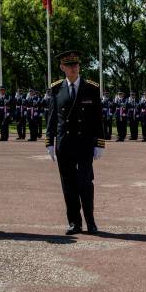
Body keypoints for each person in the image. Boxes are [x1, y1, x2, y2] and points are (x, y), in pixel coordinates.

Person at [45, 50, 105, 235]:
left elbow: (97, 118)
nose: (74, 68)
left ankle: (91, 222)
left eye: (76, 65)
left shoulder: (91, 88)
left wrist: (99, 142)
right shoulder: (56, 88)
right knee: (68, 184)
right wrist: (49, 140)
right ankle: (74, 222)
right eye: (69, 66)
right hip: (64, 143)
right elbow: (52, 116)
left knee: (86, 183)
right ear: (63, 68)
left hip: (85, 143)